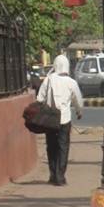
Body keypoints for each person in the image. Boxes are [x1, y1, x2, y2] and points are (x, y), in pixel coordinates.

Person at [37, 54, 83, 186]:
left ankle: (52, 175)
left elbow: (40, 98)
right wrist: (79, 112)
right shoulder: (71, 82)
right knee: (63, 147)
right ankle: (60, 176)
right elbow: (78, 100)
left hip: (50, 120)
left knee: (51, 147)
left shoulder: (48, 80)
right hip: (65, 119)